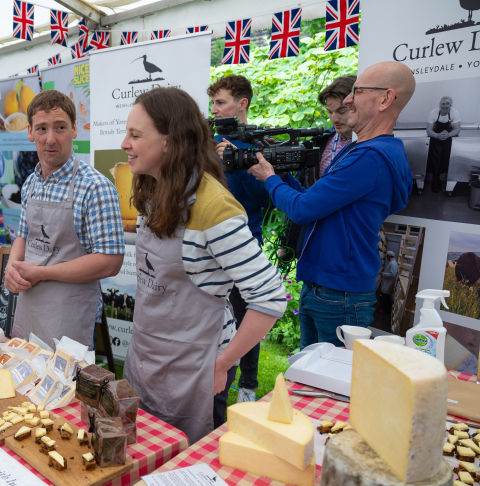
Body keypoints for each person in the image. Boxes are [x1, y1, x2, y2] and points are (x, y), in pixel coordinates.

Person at [121, 87, 286, 443]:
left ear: (170, 141)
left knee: (179, 478)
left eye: (135, 135)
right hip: (144, 358)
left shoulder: (215, 209)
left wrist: (223, 364)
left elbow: (270, 298)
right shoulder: (152, 189)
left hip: (193, 369)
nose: (125, 143)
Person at [248, 61, 416, 349]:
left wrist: (269, 179)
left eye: (358, 91)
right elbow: (312, 203)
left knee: (329, 381)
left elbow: (302, 210)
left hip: (340, 292)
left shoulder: (369, 157)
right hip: (325, 285)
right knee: (308, 375)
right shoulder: (362, 151)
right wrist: (283, 178)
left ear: (386, 99)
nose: (349, 99)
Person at [6, 90, 124, 348]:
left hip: (68, 313)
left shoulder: (95, 187)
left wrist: (43, 273)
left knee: (66, 386)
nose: (50, 138)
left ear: (74, 131)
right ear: (29, 132)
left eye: (60, 127)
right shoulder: (30, 183)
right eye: (41, 129)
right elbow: (23, 236)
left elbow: (110, 261)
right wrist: (12, 267)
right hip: (29, 307)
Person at [209, 75, 270, 403]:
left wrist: (235, 163)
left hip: (246, 241)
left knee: (246, 313)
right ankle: (215, 370)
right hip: (209, 246)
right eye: (214, 103)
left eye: (221, 103)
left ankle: (247, 384)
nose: (215, 110)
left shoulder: (259, 143)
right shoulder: (208, 141)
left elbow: (263, 199)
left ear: (242, 104)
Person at [278, 75, 356, 264]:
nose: (334, 118)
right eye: (330, 112)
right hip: (312, 241)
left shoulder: (368, 149)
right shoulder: (319, 143)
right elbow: (304, 195)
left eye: (341, 111)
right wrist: (287, 241)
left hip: (347, 248)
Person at [424, 96, 461, 195]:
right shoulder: (433, 113)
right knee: (435, 160)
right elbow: (429, 130)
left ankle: (440, 179)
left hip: (448, 141)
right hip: (435, 140)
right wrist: (437, 136)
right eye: (443, 104)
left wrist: (448, 135)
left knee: (445, 160)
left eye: (447, 104)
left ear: (451, 105)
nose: (445, 106)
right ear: (440, 105)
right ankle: (435, 181)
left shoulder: (455, 113)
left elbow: (457, 129)